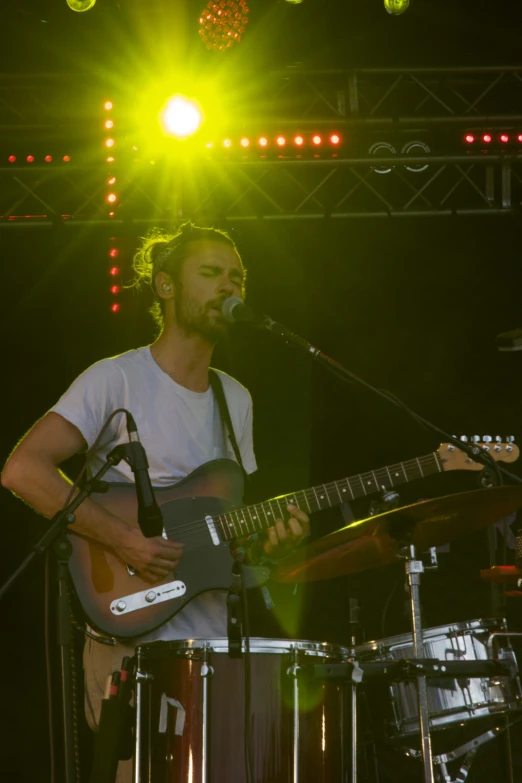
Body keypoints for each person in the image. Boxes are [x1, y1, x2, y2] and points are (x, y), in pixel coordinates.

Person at [1, 221, 310, 782]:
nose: (228, 287)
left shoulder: (234, 397)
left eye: (237, 277)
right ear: (166, 287)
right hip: (130, 641)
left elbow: (231, 531)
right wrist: (124, 540)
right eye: (211, 273)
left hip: (213, 646)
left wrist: (275, 544)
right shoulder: (115, 379)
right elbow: (25, 470)